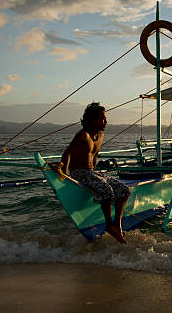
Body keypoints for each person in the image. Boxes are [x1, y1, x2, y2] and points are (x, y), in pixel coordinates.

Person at [50, 103, 130, 244]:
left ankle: (117, 225)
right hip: (79, 172)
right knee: (107, 190)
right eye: (102, 118)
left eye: (105, 118)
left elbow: (95, 156)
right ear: (92, 120)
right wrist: (63, 172)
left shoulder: (100, 135)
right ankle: (108, 224)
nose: (106, 121)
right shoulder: (83, 135)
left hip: (92, 173)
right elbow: (67, 153)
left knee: (124, 191)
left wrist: (97, 174)